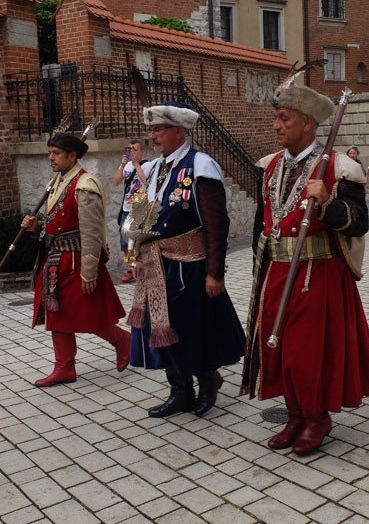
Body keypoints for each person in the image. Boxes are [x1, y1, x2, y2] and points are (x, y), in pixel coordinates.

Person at [241, 80, 369, 456]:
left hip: (315, 274)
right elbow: (263, 222)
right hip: (276, 271)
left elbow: (358, 222)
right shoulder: (269, 165)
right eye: (275, 118)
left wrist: (325, 204)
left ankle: (316, 417)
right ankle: (294, 414)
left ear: (307, 122)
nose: (276, 126)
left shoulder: (339, 167)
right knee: (278, 348)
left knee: (305, 353)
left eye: (283, 118)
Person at [127, 101, 245, 417]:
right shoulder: (154, 169)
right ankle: (180, 391)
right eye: (149, 129)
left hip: (189, 266)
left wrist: (214, 273)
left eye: (158, 129)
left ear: (179, 131)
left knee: (193, 330)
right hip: (156, 265)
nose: (152, 136)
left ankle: (208, 384)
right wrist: (133, 244)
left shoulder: (200, 165)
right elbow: (143, 213)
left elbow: (216, 223)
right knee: (161, 329)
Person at [20, 133, 130, 387]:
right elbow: (57, 226)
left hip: (77, 262)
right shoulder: (57, 183)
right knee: (55, 314)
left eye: (56, 153)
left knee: (88, 314)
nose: (51, 158)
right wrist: (38, 228)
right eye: (50, 152)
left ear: (72, 156)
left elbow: (91, 232)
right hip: (56, 261)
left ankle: (123, 340)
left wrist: (89, 271)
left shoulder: (84, 186)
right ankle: (65, 367)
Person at [111, 139, 147, 283]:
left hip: (140, 210)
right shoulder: (125, 166)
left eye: (134, 149)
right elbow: (116, 181)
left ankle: (139, 267)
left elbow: (146, 181)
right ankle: (132, 268)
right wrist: (123, 165)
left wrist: (136, 164)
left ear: (141, 152)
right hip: (126, 209)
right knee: (125, 243)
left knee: (138, 242)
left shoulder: (148, 164)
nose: (131, 151)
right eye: (129, 149)